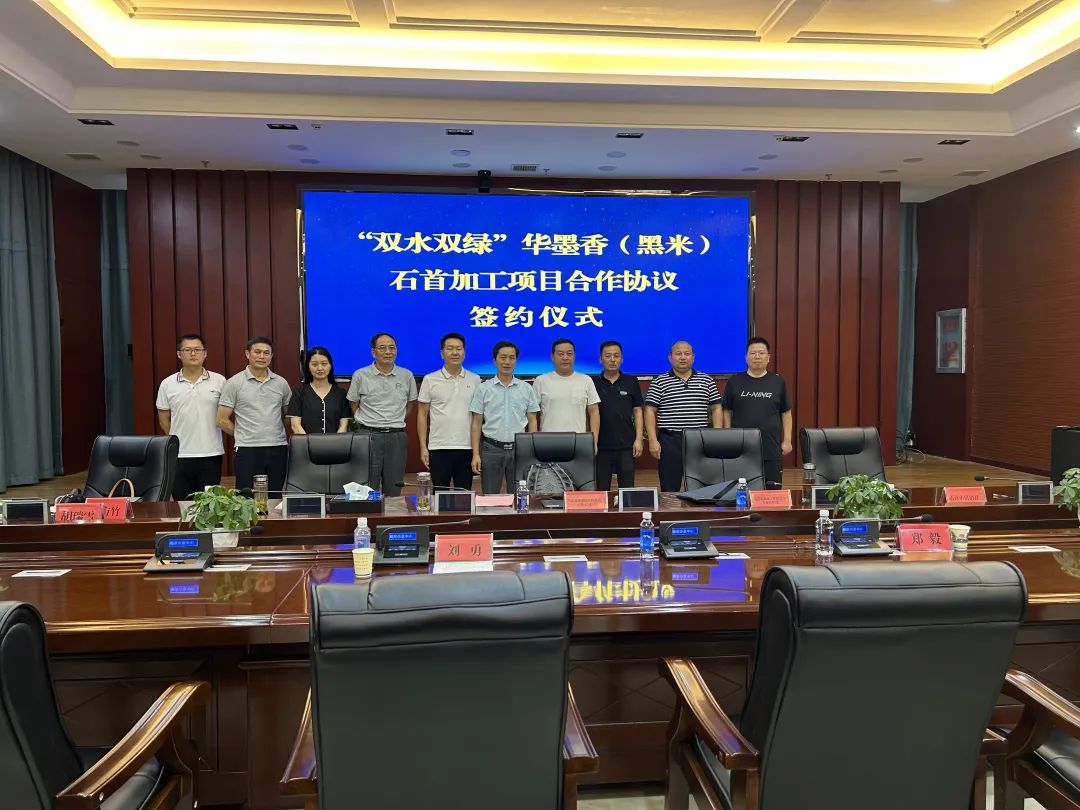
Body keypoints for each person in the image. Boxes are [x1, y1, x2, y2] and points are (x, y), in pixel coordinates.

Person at [217, 336, 292, 494]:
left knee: (275, 495)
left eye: (266, 353)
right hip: (247, 450)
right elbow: (222, 420)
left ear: (271, 356)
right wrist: (243, 434)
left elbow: (288, 416)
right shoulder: (234, 383)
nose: (261, 356)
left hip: (277, 448)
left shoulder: (281, 383)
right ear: (247, 354)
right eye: (257, 352)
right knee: (246, 497)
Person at [644, 340, 722, 492]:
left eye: (687, 353)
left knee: (701, 486)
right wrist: (652, 440)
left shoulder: (706, 380)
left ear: (693, 357)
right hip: (670, 440)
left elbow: (717, 408)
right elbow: (649, 411)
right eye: (678, 354)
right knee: (669, 487)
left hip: (700, 439)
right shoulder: (659, 382)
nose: (683, 357)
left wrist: (716, 436)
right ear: (670, 358)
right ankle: (670, 509)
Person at [156, 333, 226, 500]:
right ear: (179, 354)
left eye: (197, 349)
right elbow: (163, 419)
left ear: (205, 353)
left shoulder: (219, 381)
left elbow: (226, 414)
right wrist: (176, 440)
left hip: (211, 453)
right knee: (182, 504)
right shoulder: (167, 384)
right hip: (180, 455)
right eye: (187, 350)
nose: (193, 353)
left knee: (210, 504)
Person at [347, 332, 417, 496]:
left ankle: (391, 512)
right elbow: (353, 403)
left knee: (394, 486)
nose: (388, 352)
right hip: (368, 435)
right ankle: (366, 513)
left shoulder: (406, 375)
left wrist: (394, 420)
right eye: (383, 348)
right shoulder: (360, 375)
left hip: (396, 436)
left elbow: (410, 404)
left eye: (392, 348)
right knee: (366, 486)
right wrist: (367, 420)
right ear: (373, 352)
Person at [469, 341, 540, 494]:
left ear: (516, 360)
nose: (507, 362)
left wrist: (532, 452)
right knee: (490, 497)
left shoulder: (526, 389)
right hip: (491, 449)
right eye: (503, 357)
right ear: (495, 360)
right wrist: (475, 454)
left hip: (520, 449)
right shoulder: (483, 388)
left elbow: (533, 420)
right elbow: (476, 423)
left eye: (511, 358)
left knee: (520, 497)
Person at [721, 336, 793, 488]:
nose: (757, 356)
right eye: (753, 353)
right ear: (746, 357)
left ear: (768, 357)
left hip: (771, 448)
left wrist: (787, 440)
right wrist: (728, 435)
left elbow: (786, 413)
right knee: (740, 492)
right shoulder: (735, 381)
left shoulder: (778, 381)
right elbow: (726, 410)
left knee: (772, 492)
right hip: (741, 448)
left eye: (761, 353)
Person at [418, 332, 481, 491]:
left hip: (466, 447)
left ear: (464, 352)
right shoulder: (430, 379)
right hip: (438, 447)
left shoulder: (475, 379)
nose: (455, 352)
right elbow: (422, 415)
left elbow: (477, 418)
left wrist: (476, 452)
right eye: (450, 348)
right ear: (442, 353)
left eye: (459, 349)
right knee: (439, 494)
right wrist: (423, 447)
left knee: (464, 496)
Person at [592, 340, 644, 490]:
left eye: (616, 356)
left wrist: (639, 439)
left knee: (627, 489)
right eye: (608, 356)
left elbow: (637, 411)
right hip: (600, 446)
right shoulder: (592, 382)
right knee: (601, 489)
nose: (612, 360)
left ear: (622, 359)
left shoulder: (631, 381)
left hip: (626, 445)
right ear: (600, 359)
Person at [532, 338, 600, 447]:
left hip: (578, 442)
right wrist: (534, 442)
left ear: (574, 356)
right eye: (560, 354)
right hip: (548, 442)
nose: (565, 358)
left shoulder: (586, 380)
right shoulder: (541, 380)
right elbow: (532, 414)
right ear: (552, 356)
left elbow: (594, 412)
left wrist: (594, 442)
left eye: (569, 354)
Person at [287, 347, 351, 435]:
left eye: (324, 364)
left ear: (330, 366)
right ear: (308, 367)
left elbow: (343, 425)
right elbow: (295, 425)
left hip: (336, 442)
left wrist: (336, 441)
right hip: (306, 442)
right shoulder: (299, 392)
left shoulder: (341, 393)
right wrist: (308, 442)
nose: (320, 368)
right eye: (314, 364)